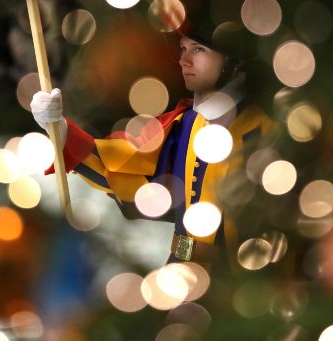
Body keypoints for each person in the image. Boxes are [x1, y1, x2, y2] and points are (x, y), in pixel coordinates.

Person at [30, 15, 276, 268]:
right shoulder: (186, 124)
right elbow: (123, 170)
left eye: (198, 49)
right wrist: (59, 128)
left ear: (232, 59)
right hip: (180, 272)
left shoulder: (267, 133)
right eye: (183, 48)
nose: (184, 60)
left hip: (242, 280)